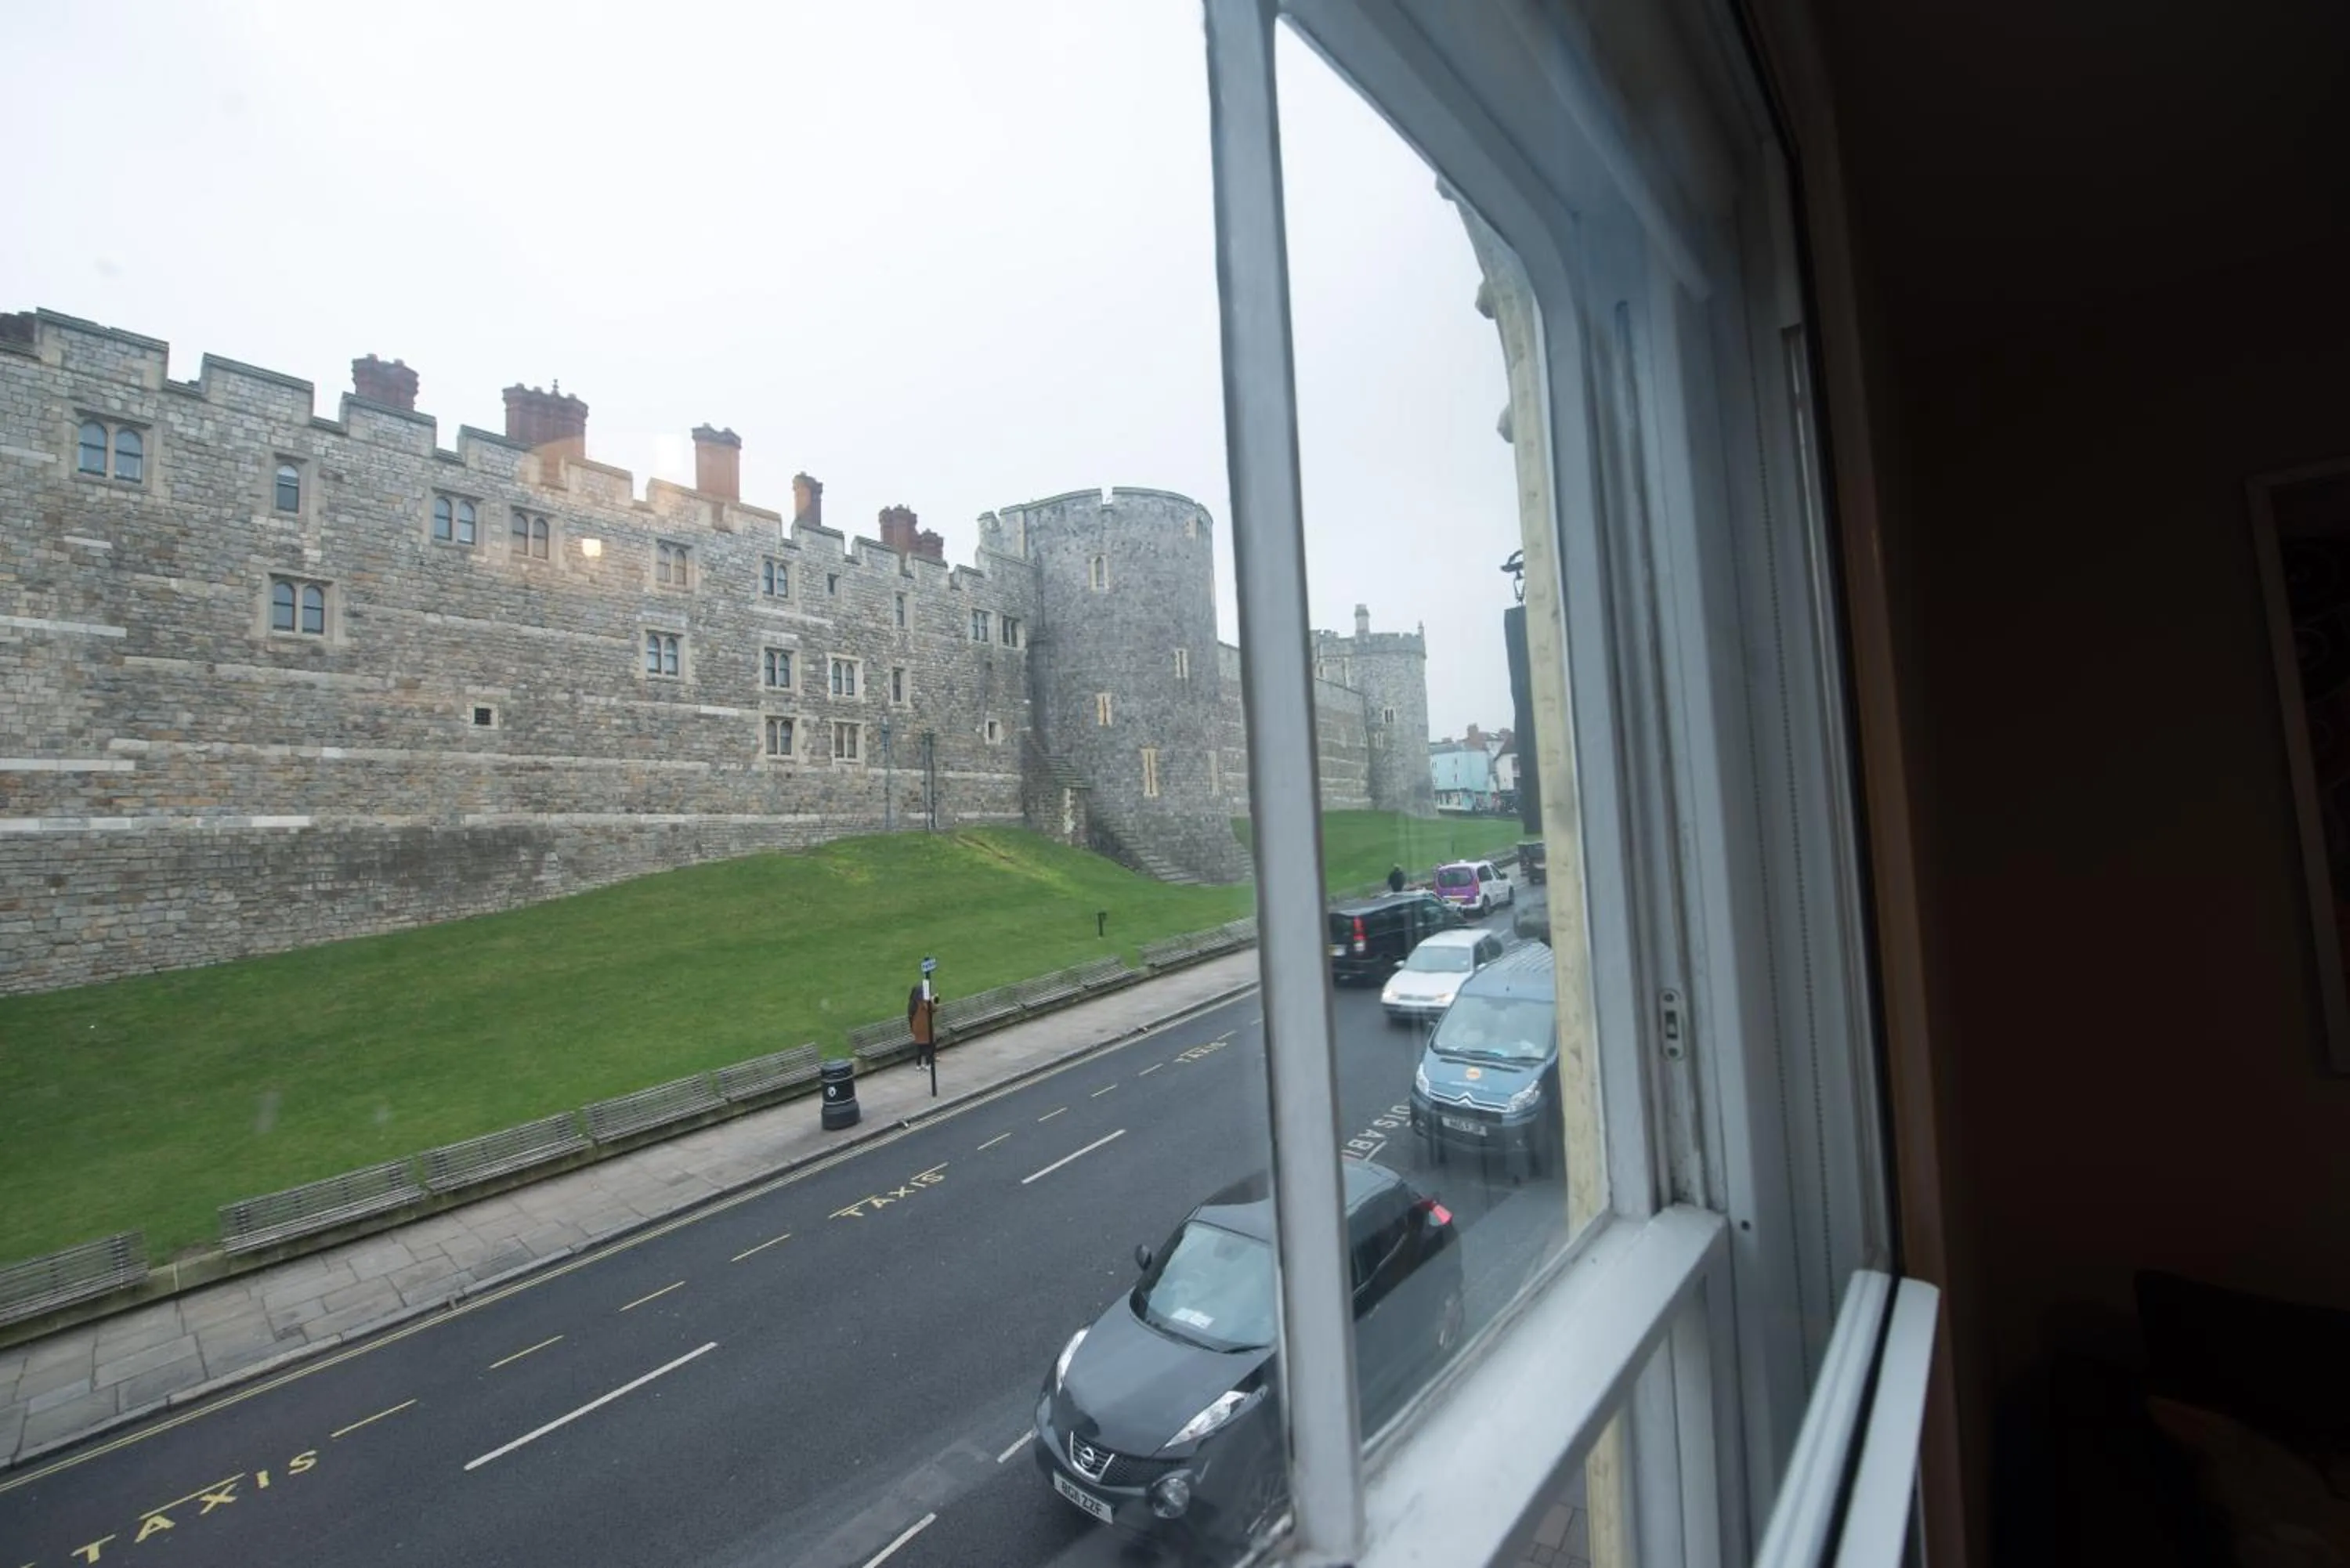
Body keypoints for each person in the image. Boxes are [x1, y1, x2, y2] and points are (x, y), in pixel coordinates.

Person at [907, 980, 938, 1071]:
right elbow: (934, 1009)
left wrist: (912, 1028)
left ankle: (918, 1064)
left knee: (919, 1046)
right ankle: (928, 1064)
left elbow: (910, 1016)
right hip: (926, 1027)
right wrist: (933, 1001)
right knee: (929, 1045)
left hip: (916, 1027)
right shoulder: (925, 1002)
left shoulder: (912, 1004)